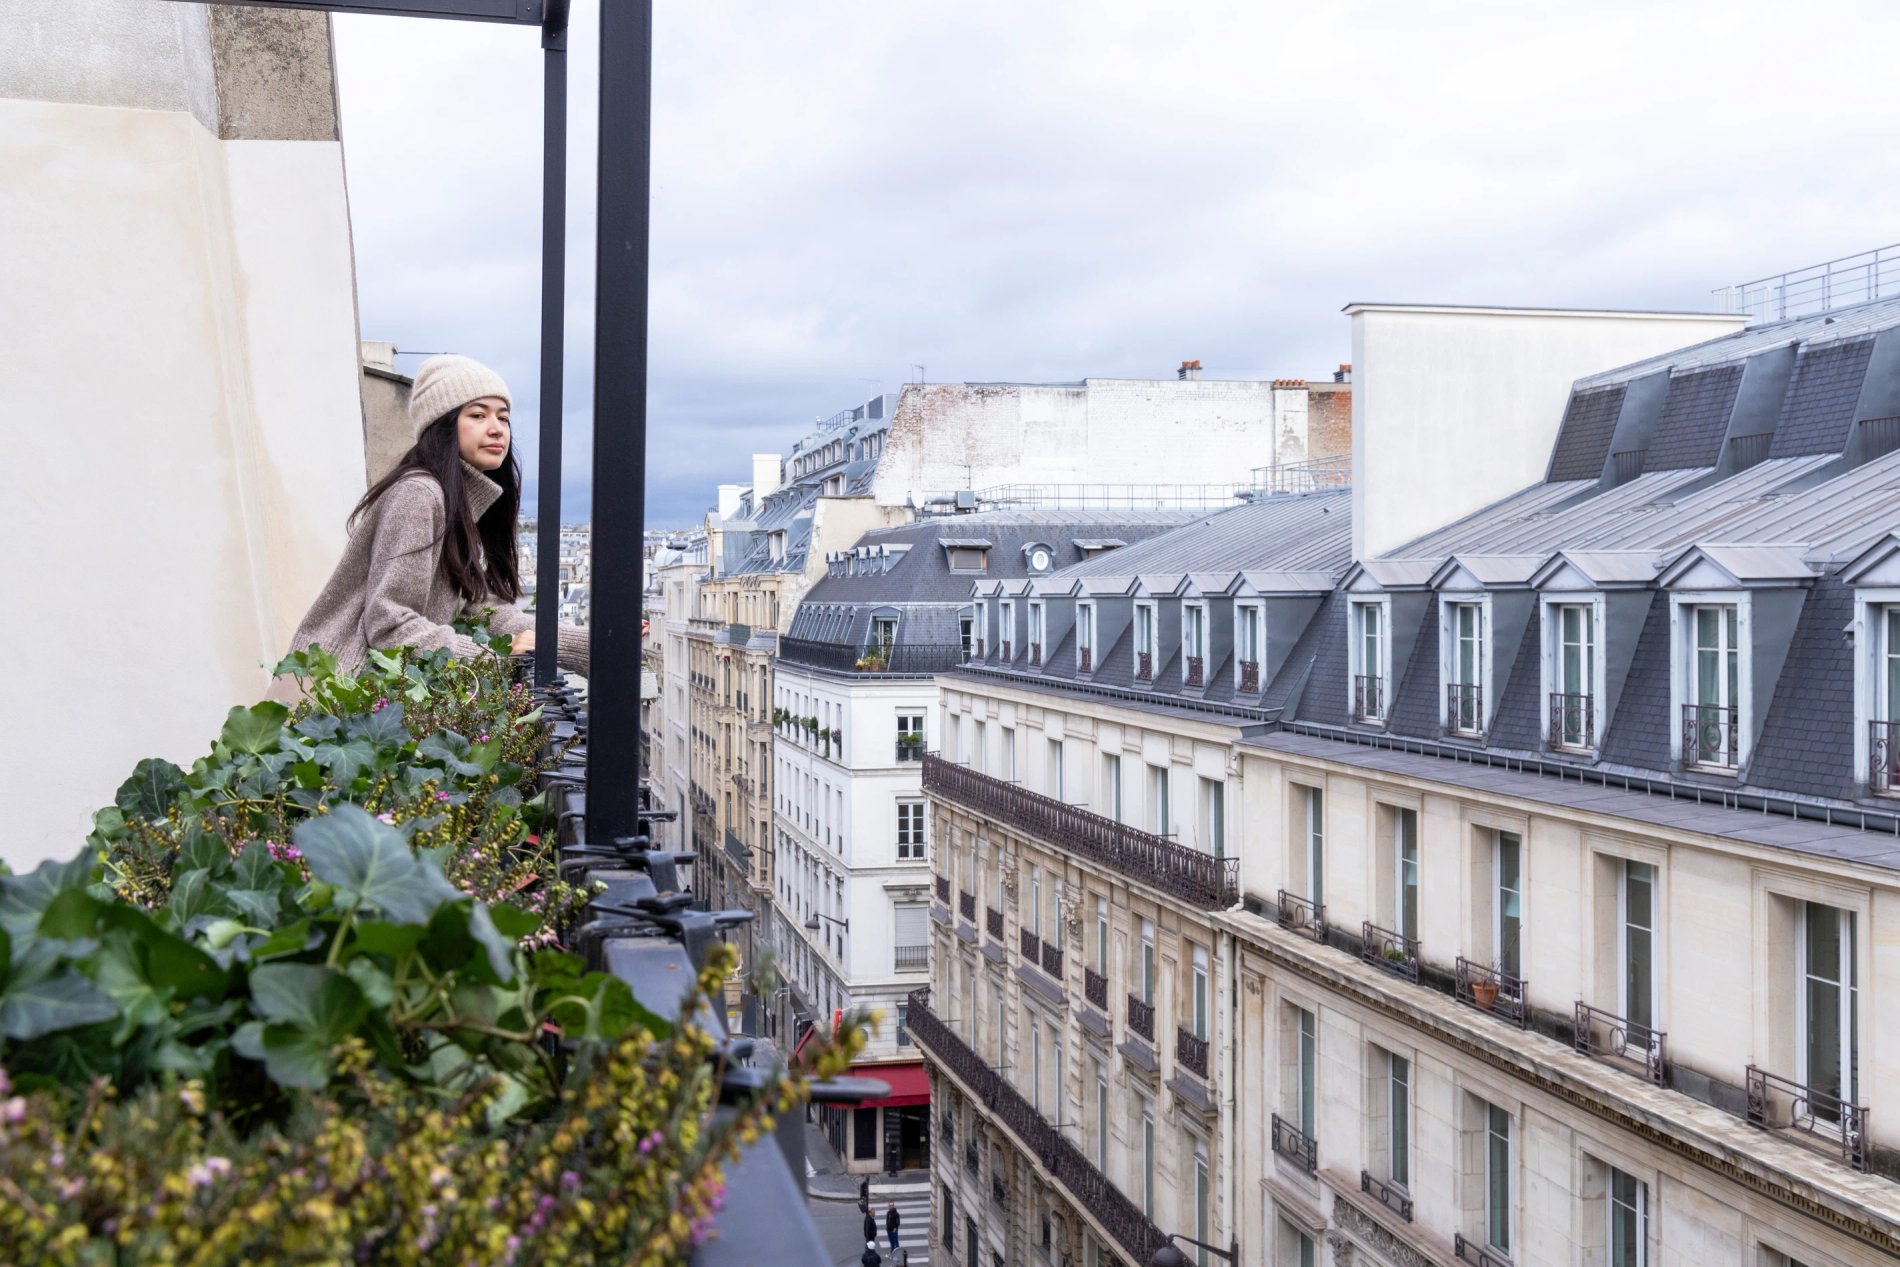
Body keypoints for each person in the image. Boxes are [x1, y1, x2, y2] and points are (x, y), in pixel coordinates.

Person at [282, 355, 589, 681]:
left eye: (504, 417)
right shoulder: (419, 495)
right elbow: (390, 624)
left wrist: (589, 644)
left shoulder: (464, 505)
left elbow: (481, 610)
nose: (497, 428)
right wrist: (494, 658)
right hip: (341, 692)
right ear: (443, 425)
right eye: (477, 415)